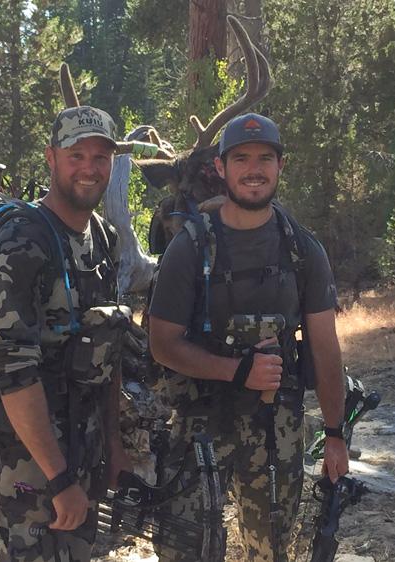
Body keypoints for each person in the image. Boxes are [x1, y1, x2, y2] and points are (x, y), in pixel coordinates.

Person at [148, 113, 350, 562]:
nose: (253, 169)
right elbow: (162, 343)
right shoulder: (190, 246)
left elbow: (325, 347)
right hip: (199, 425)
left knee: (272, 550)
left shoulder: (302, 248)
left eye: (264, 158)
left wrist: (335, 435)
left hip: (276, 430)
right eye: (241, 159)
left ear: (280, 166)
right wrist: (237, 371)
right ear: (221, 168)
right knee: (184, 549)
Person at [0, 105, 132, 562]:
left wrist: (113, 442)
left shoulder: (102, 237)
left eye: (101, 157)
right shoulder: (21, 242)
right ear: (51, 158)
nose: (90, 168)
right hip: (28, 461)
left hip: (84, 445)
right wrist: (59, 477)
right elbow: (13, 371)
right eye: (76, 155)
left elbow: (108, 348)